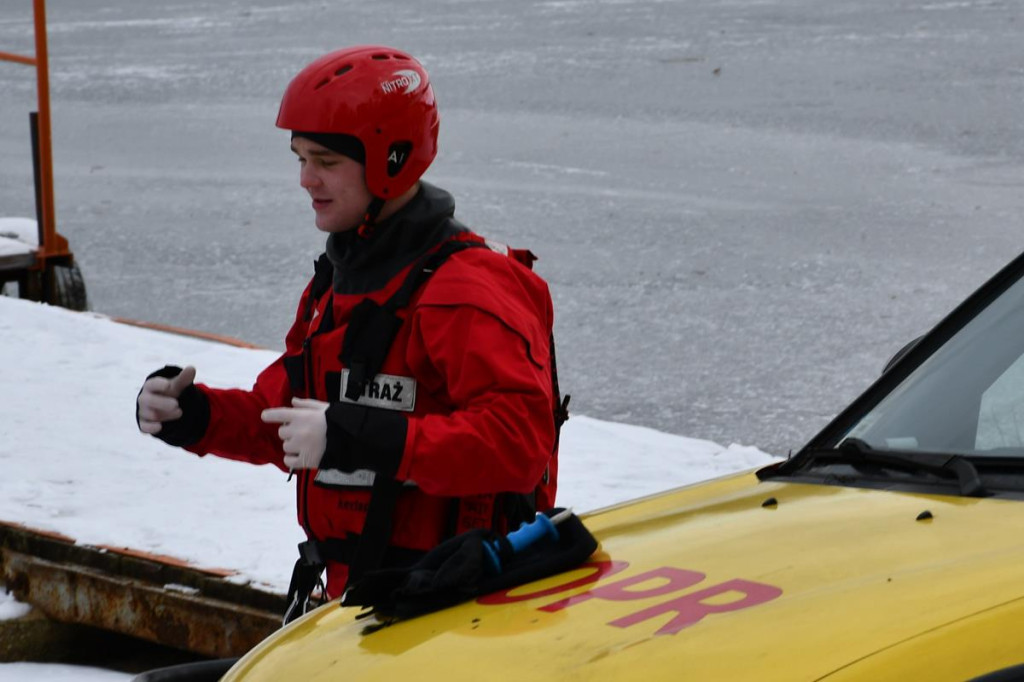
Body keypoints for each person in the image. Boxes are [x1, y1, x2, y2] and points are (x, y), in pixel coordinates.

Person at [135, 45, 565, 623]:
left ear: (392, 158)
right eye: (299, 158)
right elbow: (283, 415)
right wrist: (197, 415)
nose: (306, 179)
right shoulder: (340, 284)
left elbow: (518, 442)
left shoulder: (464, 291)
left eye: (326, 161)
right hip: (363, 601)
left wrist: (356, 434)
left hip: (455, 608)